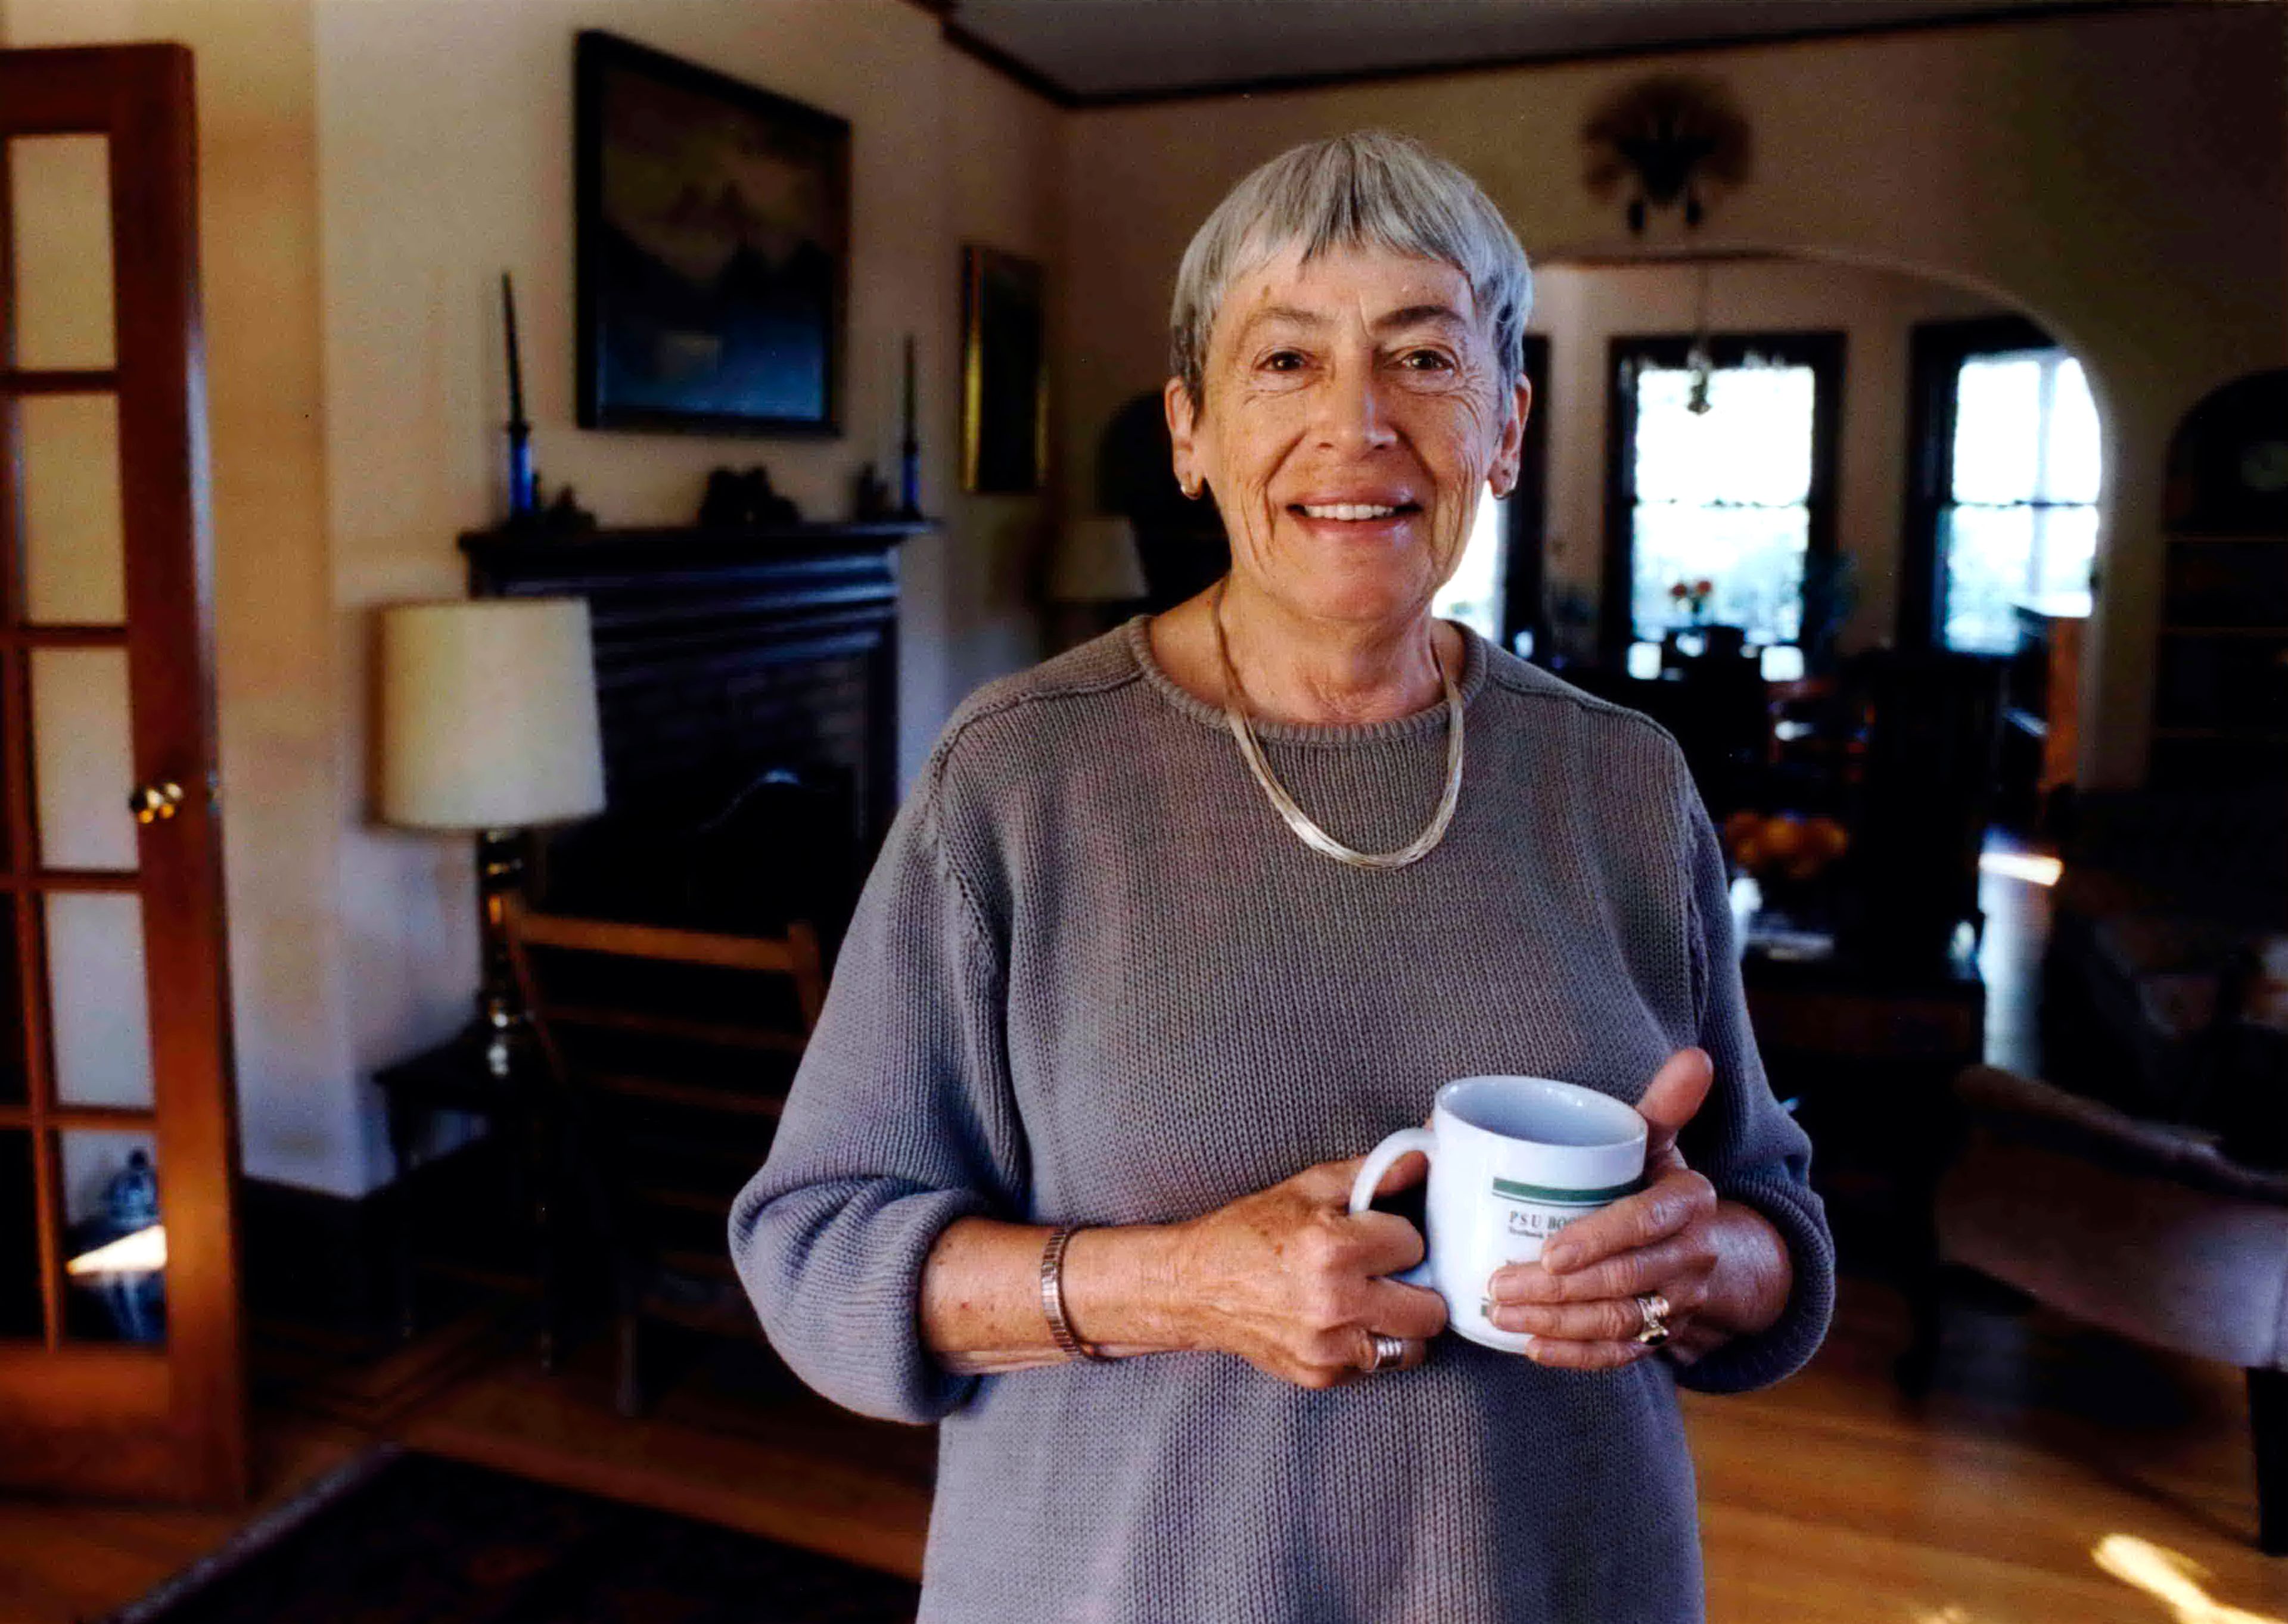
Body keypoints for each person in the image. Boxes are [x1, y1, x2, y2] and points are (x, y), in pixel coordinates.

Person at [730, 130, 1834, 1623]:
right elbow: (813, 1250)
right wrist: (1183, 1282)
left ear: (1506, 423)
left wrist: (1704, 1262)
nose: (1358, 422)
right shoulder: (1018, 776)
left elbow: (1775, 1218)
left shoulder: (1623, 779)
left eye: (1424, 357)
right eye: (1286, 362)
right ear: (1191, 432)